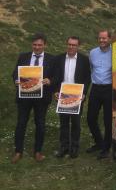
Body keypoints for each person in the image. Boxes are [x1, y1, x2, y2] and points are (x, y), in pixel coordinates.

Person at [11, 33, 55, 163]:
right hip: (24, 96)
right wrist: (16, 80)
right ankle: (18, 151)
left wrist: (50, 80)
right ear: (32, 45)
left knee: (40, 124)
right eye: (35, 44)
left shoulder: (52, 59)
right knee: (21, 123)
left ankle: (38, 151)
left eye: (39, 45)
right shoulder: (23, 56)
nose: (37, 47)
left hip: (42, 98)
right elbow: (15, 72)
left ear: (44, 45)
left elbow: (57, 76)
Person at [53, 36, 91, 158]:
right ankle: (64, 147)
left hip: (77, 95)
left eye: (74, 45)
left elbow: (87, 77)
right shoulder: (59, 58)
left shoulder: (84, 60)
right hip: (63, 95)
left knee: (75, 123)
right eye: (69, 44)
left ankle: (74, 147)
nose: (71, 47)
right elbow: (55, 76)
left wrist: (84, 92)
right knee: (63, 122)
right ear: (66, 44)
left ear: (77, 46)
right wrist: (55, 91)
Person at [87, 30, 113, 159]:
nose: (102, 40)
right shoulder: (92, 53)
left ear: (110, 39)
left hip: (109, 89)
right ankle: (99, 142)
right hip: (96, 88)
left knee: (108, 120)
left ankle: (106, 148)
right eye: (100, 38)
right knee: (90, 118)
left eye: (104, 38)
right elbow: (91, 69)